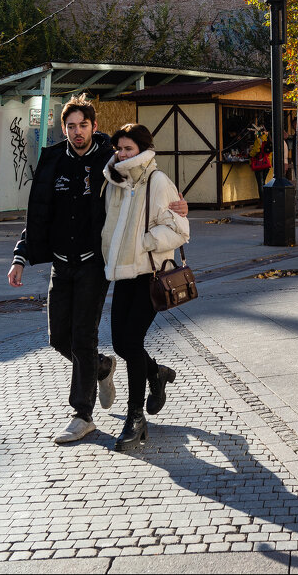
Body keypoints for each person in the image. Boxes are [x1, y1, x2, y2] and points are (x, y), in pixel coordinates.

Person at [7, 95, 188, 445]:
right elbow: (40, 214)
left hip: (96, 263)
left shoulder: (109, 159)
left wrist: (181, 205)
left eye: (83, 125)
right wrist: (20, 255)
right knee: (59, 338)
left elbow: (146, 179)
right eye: (71, 126)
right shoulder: (53, 161)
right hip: (61, 263)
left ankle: (82, 414)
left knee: (84, 336)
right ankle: (105, 367)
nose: (77, 132)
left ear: (93, 126)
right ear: (63, 128)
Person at [101, 123, 190, 452]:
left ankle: (135, 418)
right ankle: (157, 373)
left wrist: (143, 242)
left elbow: (180, 229)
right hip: (123, 274)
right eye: (119, 149)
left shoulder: (157, 181)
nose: (122, 154)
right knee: (121, 344)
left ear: (143, 149)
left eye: (128, 149)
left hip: (150, 275)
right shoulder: (114, 182)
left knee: (130, 341)